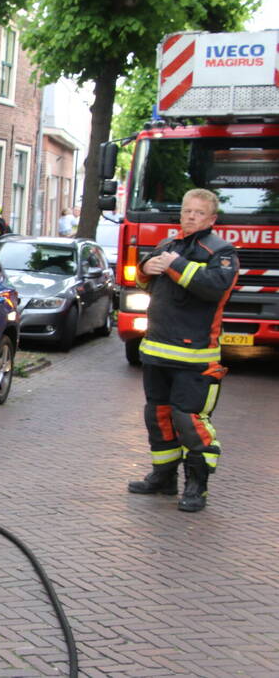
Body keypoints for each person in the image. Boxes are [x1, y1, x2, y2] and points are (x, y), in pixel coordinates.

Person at [126, 188, 238, 512]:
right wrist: (146, 269)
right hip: (157, 352)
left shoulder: (222, 251)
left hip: (195, 358)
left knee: (189, 421)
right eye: (187, 211)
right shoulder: (167, 245)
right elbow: (142, 277)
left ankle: (196, 487)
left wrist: (175, 265)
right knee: (157, 416)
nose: (190, 217)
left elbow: (213, 287)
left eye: (198, 213)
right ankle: (163, 478)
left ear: (212, 218)